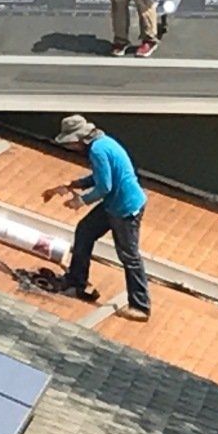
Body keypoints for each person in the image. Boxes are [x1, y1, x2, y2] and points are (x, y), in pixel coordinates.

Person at [42, 114, 150, 321]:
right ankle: (76, 280)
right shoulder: (103, 143)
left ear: (79, 139)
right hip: (113, 204)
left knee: (129, 255)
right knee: (85, 231)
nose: (71, 148)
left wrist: (80, 201)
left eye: (71, 143)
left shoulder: (98, 151)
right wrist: (75, 184)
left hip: (125, 208)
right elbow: (99, 177)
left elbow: (104, 186)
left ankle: (141, 307)